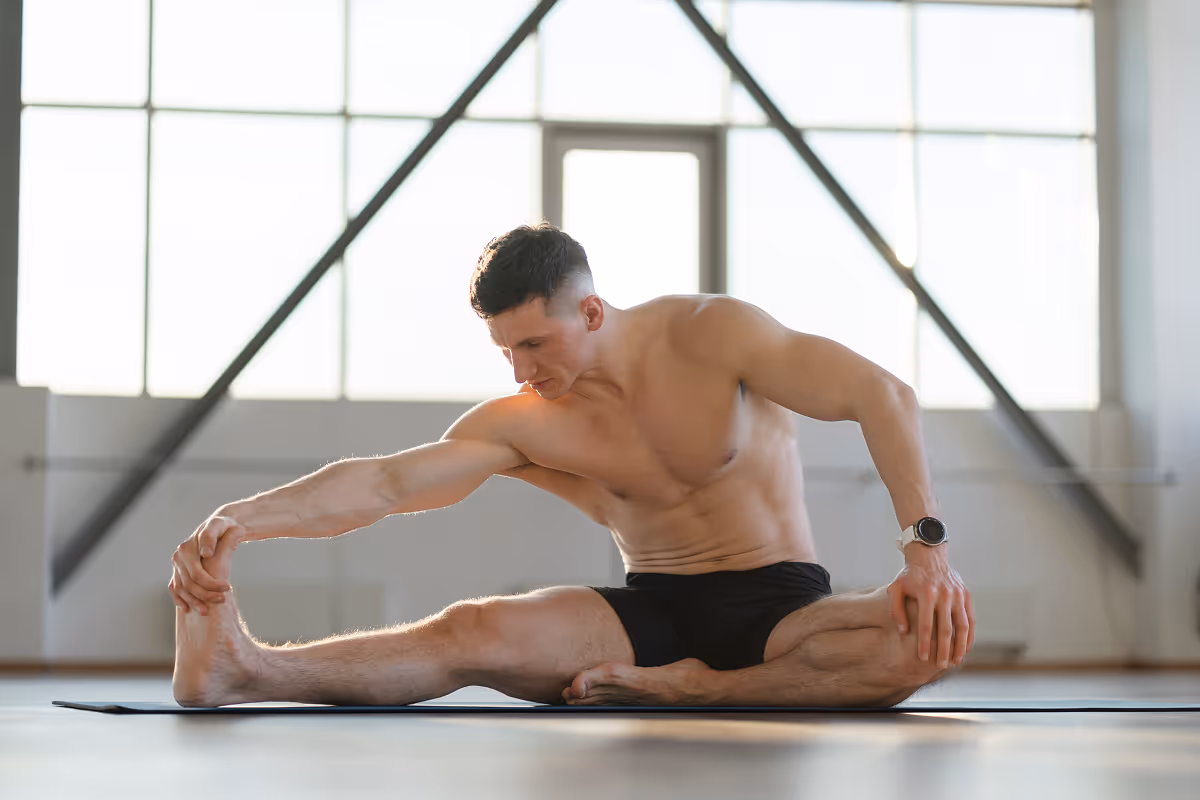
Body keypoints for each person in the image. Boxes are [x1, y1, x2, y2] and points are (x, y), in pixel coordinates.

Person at [169, 223, 974, 708]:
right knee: (468, 630)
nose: (521, 371)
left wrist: (925, 551)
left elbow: (882, 395)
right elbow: (386, 483)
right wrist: (242, 519)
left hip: (780, 607)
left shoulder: (711, 335)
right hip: (650, 611)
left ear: (590, 311)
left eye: (534, 344)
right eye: (505, 351)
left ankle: (703, 689)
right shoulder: (526, 420)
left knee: (928, 639)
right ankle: (246, 670)